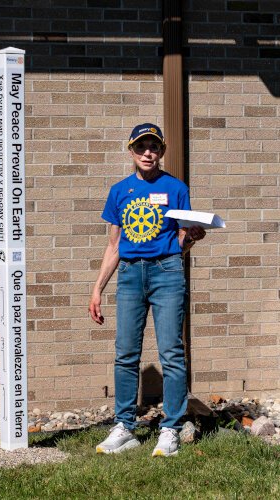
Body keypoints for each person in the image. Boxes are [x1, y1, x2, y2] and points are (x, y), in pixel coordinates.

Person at [89, 123, 206, 457]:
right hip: (128, 274)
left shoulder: (176, 188)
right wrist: (97, 289)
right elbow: (113, 246)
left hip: (166, 272)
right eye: (141, 147)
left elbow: (181, 242)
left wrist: (192, 237)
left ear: (161, 152)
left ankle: (170, 428)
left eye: (154, 147)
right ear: (131, 151)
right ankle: (125, 426)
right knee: (125, 353)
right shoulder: (119, 191)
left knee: (171, 351)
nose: (148, 153)